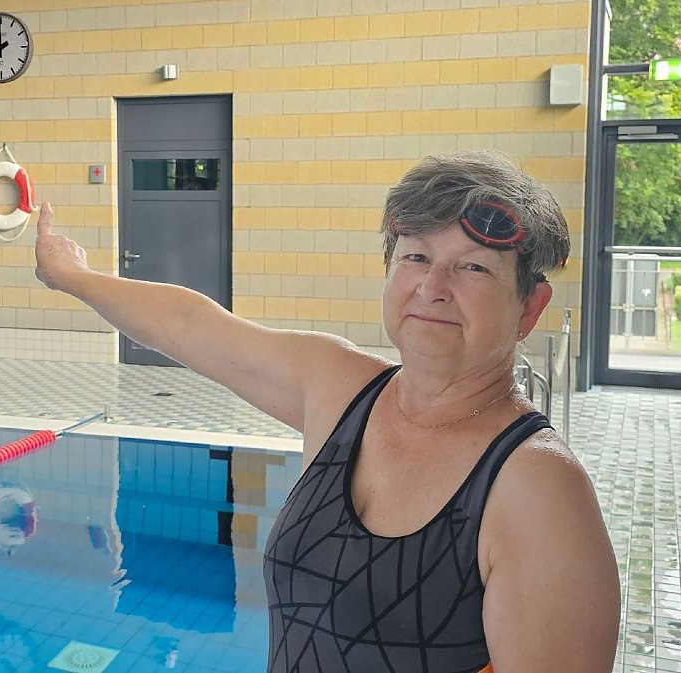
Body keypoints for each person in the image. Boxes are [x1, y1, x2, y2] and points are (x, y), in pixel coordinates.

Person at [35, 151, 621, 673]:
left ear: (530, 306)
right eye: (417, 256)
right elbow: (190, 326)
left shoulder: (539, 492)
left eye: (473, 267)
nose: (432, 287)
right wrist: (75, 277)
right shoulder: (341, 389)